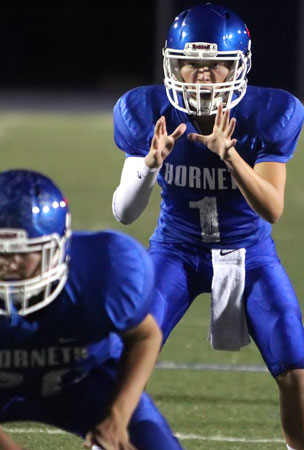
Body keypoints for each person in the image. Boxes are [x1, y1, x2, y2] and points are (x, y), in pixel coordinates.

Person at [112, 3, 304, 450]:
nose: (201, 76)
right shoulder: (148, 111)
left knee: (296, 368)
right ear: (172, 64)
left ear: (237, 66)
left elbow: (272, 208)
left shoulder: (270, 113)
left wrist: (229, 154)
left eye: (215, 65)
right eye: (190, 64)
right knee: (121, 358)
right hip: (175, 250)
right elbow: (124, 211)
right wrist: (150, 164)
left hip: (248, 252)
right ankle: (113, 439)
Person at [0, 169, 183, 450]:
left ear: (58, 250)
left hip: (83, 382)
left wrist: (117, 418)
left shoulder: (103, 273)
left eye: (20, 252)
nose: (6, 265)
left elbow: (145, 336)